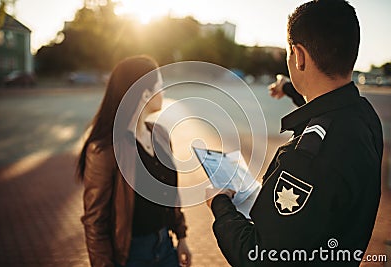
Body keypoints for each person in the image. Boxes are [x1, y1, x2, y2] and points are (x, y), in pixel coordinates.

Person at [205, 1, 383, 266]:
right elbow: (330, 111)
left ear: (298, 56)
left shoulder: (306, 160)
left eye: (290, 54)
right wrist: (290, 89)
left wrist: (220, 205)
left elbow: (258, 256)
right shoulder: (365, 116)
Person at [77, 55, 191, 267]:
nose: (164, 91)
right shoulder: (105, 149)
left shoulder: (161, 134)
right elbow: (95, 223)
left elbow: (170, 195)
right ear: (145, 93)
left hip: (166, 247)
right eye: (160, 85)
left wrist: (181, 237)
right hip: (131, 255)